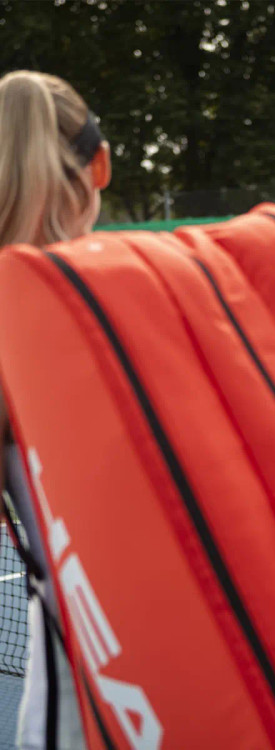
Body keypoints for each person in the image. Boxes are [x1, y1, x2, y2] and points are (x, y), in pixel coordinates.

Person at [0, 69, 111, 750]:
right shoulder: (174, 293)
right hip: (230, 666)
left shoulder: (11, 321)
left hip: (79, 690)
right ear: (101, 166)